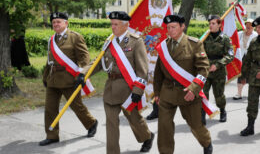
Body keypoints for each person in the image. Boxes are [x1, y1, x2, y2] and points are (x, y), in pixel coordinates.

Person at [78, 11, 154, 154]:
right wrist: (83, 74)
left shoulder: (136, 42)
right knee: (111, 125)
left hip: (128, 90)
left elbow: (142, 70)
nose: (113, 27)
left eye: (116, 24)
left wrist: (138, 91)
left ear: (126, 25)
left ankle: (147, 136)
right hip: (110, 89)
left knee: (134, 119)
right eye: (112, 24)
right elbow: (98, 62)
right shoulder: (109, 42)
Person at [154, 15, 213, 154]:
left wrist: (194, 89)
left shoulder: (194, 44)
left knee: (195, 125)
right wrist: (157, 93)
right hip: (167, 92)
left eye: (173, 27)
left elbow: (203, 69)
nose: (170, 30)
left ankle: (206, 142)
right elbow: (158, 72)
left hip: (188, 93)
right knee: (164, 127)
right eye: (168, 27)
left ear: (182, 27)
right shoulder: (164, 46)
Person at [40, 12, 98, 146]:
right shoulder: (51, 40)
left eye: (58, 21)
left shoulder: (75, 37)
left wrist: (82, 74)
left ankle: (91, 123)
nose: (56, 24)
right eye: (53, 22)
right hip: (53, 80)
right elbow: (49, 61)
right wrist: (45, 77)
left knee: (77, 106)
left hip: (70, 79)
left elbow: (84, 58)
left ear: (66, 23)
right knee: (50, 108)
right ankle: (52, 135)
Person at [203, 15, 234, 123]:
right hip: (205, 69)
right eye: (209, 23)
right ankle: (203, 114)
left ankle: (222, 111)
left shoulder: (225, 38)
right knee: (203, 92)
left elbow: (230, 55)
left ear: (219, 24)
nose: (210, 25)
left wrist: (218, 65)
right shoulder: (205, 37)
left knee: (219, 94)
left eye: (213, 23)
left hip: (218, 71)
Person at [233, 19, 258, 100]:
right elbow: (234, 44)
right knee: (240, 75)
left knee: (251, 76)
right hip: (240, 57)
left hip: (251, 58)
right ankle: (238, 93)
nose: (248, 26)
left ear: (253, 27)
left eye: (250, 25)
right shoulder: (239, 34)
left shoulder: (256, 35)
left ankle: (252, 94)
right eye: (247, 24)